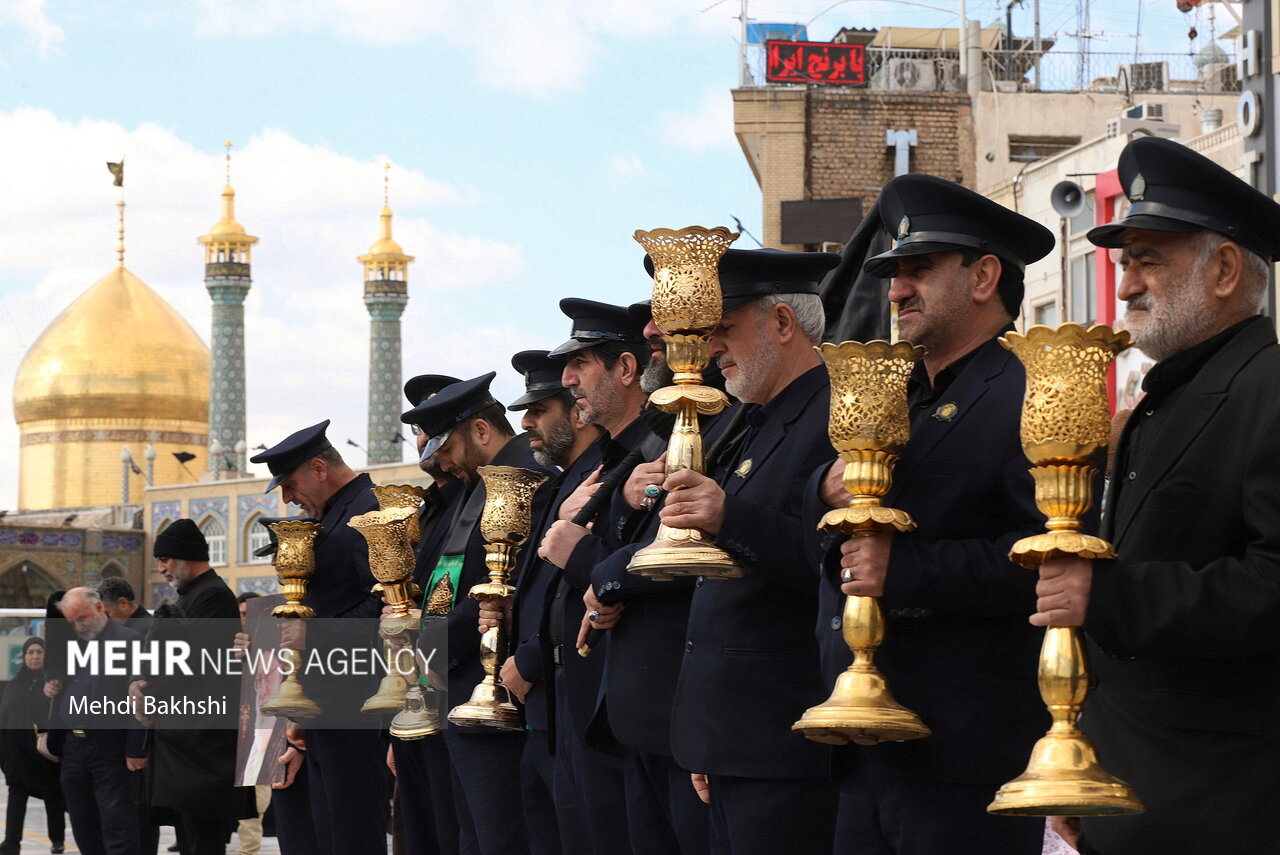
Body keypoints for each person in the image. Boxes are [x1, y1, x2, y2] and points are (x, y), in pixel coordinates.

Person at [1031, 136, 1280, 855]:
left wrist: (1108, 595)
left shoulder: (1266, 388)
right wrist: (1081, 764)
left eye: (1148, 260)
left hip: (1223, 808)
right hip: (1127, 794)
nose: (1126, 286)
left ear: (1225, 268)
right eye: (1122, 263)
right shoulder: (1154, 403)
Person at [811, 173, 1055, 853]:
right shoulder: (895, 393)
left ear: (984, 277)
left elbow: (1050, 561)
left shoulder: (1030, 393)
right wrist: (823, 493)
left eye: (918, 269)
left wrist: (908, 569)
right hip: (866, 753)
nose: (894, 290)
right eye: (892, 272)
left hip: (963, 762)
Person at [659, 248, 841, 855]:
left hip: (784, 742)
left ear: (783, 323)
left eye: (726, 330)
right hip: (736, 741)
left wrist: (728, 515)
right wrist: (709, 736)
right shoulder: (755, 421)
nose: (713, 348)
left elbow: (834, 566)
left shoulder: (837, 418)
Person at [400, 371, 554, 855]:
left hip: (499, 692)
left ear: (482, 431)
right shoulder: (472, 486)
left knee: (501, 834)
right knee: (473, 835)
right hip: (458, 686)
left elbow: (509, 595)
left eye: (445, 447)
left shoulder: (525, 479)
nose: (440, 461)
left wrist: (433, 647)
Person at [249, 421, 389, 855]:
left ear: (318, 468)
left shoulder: (368, 512)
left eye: (290, 485)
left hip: (357, 707)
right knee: (329, 833)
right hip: (328, 709)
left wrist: (314, 633)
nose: (287, 498)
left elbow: (391, 610)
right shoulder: (332, 516)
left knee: (353, 832)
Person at [131, 519, 256, 855]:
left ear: (186, 557)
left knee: (203, 840)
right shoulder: (192, 597)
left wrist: (148, 691)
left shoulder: (212, 596)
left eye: (165, 561)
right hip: (186, 749)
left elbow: (193, 663)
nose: (161, 569)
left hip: (202, 752)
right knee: (191, 839)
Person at [43, 587, 147, 855]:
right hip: (73, 748)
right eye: (72, 621)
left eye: (82, 618)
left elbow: (141, 697)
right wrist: (53, 685)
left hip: (111, 748)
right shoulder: (74, 642)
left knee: (118, 828)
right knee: (83, 826)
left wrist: (136, 748)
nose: (77, 626)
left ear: (100, 608)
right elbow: (64, 681)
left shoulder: (129, 641)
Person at [0, 637, 66, 854]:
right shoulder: (15, 684)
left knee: (52, 796)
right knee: (16, 795)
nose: (35, 656)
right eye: (30, 652)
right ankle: (11, 842)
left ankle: (57, 839)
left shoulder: (52, 682)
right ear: (24, 656)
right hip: (16, 753)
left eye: (39, 652)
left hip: (43, 753)